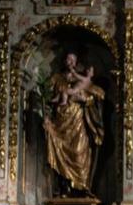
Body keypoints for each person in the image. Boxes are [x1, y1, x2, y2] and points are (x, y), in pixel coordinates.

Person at [43, 52, 105, 195]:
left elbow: (96, 94)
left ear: (76, 62)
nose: (69, 61)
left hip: (78, 122)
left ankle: (82, 187)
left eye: (72, 59)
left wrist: (86, 99)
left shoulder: (82, 79)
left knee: (79, 152)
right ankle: (64, 187)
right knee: (59, 150)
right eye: (67, 59)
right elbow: (47, 98)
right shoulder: (56, 79)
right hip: (60, 122)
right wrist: (46, 116)